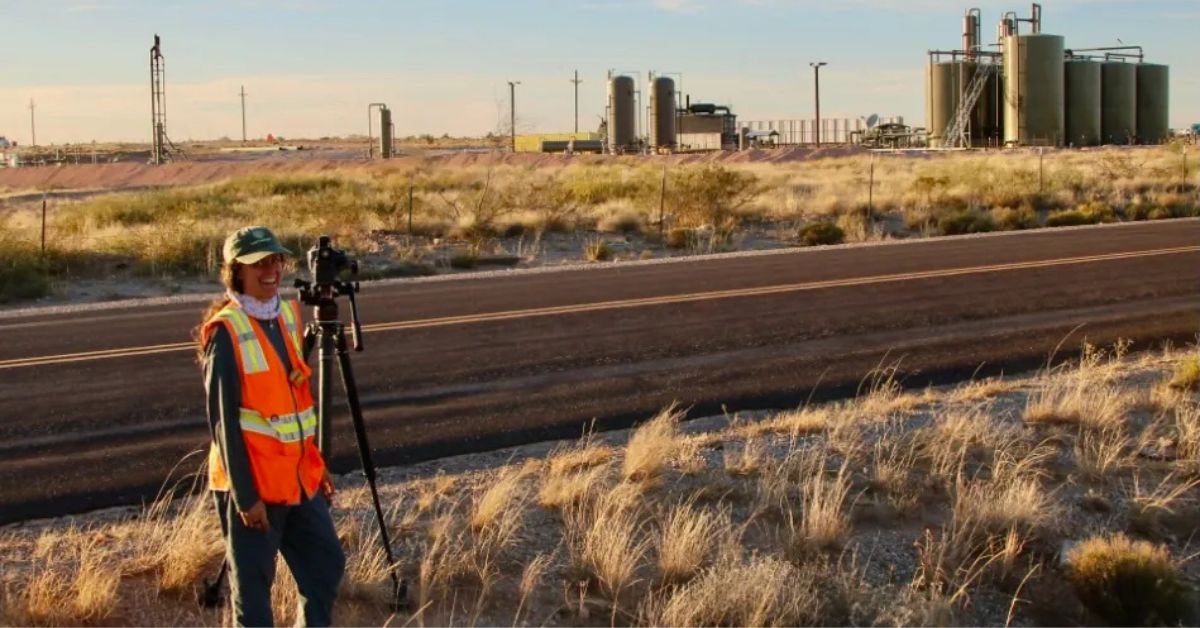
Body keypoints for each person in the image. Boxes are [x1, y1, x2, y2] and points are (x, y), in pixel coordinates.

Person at [197, 225, 345, 627]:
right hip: (253, 488)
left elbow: (295, 405)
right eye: (259, 263)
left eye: (276, 260)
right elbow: (223, 423)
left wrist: (315, 464)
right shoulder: (226, 332)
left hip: (297, 478)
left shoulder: (285, 315)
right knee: (254, 595)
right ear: (236, 271)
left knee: (325, 564)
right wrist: (246, 498)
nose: (271, 270)